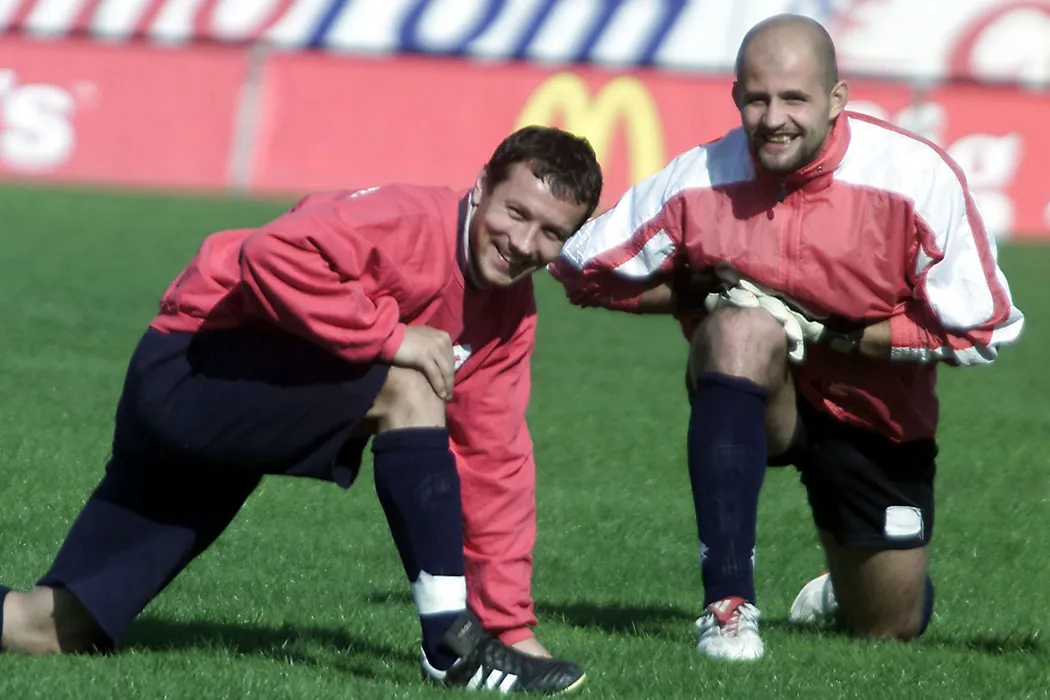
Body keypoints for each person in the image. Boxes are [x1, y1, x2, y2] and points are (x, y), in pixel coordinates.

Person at [0, 125, 603, 693]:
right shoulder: (408, 220)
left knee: (50, 629)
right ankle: (451, 646)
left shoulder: (509, 318)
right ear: (482, 186)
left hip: (240, 420)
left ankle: (476, 641)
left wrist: (511, 626)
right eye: (516, 212)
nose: (524, 243)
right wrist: (391, 336)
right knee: (409, 386)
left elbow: (493, 464)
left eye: (551, 233)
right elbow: (271, 253)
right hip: (195, 369)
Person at [549, 14, 1023, 662]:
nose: (774, 119)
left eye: (795, 98)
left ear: (836, 99)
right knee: (738, 329)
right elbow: (581, 268)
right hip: (765, 395)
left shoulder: (916, 177)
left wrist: (843, 336)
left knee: (889, 625)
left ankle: (847, 585)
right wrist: (699, 296)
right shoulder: (701, 177)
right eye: (757, 99)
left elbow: (984, 327)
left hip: (876, 416)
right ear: (735, 96)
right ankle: (728, 608)